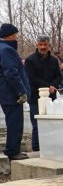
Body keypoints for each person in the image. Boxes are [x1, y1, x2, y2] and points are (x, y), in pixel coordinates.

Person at [25, 35, 62, 152]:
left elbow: (59, 77)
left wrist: (53, 86)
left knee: (52, 122)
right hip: (35, 97)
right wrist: (47, 86)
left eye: (45, 45)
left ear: (49, 45)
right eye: (40, 45)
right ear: (37, 45)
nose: (42, 47)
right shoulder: (30, 60)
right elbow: (31, 78)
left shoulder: (54, 61)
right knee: (37, 124)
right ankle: (36, 149)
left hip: (51, 97)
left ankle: (52, 147)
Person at [0, 23, 31, 161]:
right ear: (11, 35)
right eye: (15, 35)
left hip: (5, 92)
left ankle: (12, 150)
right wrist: (21, 91)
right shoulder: (7, 50)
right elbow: (11, 73)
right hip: (11, 93)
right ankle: (13, 151)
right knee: (15, 122)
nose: (17, 37)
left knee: (12, 121)